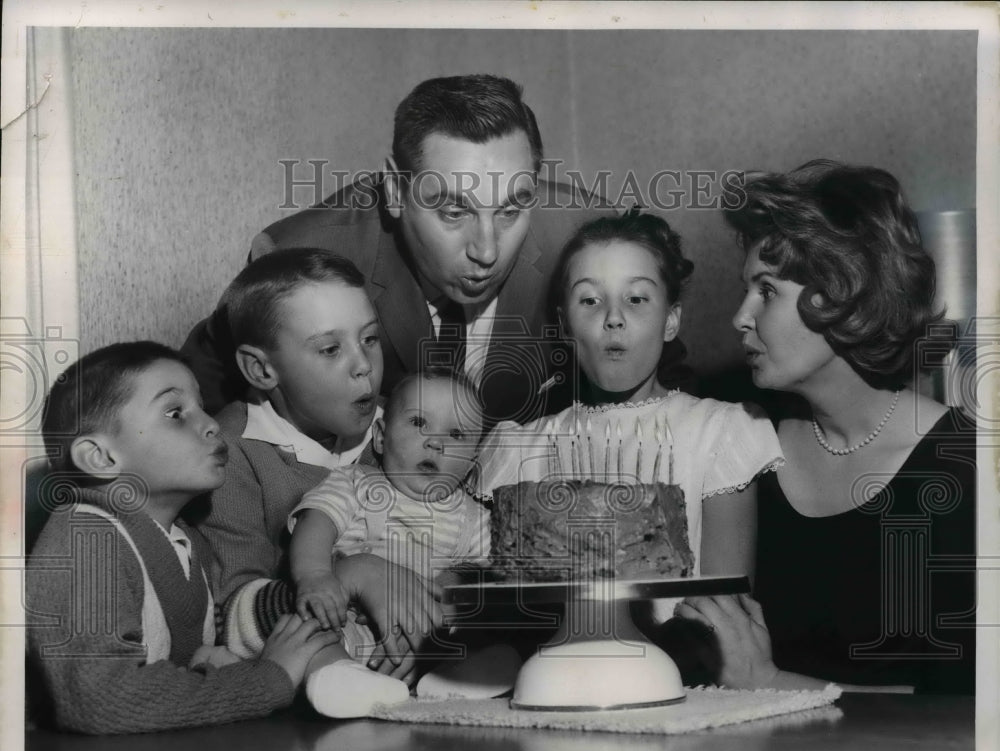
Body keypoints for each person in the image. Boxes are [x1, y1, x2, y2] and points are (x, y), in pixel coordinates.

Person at [181, 74, 693, 428]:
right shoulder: (299, 256)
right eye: (453, 212)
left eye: (512, 210)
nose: (487, 251)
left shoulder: (590, 240)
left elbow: (666, 379)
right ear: (397, 192)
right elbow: (205, 400)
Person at [677, 159, 976, 694]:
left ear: (843, 293)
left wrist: (768, 680)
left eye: (766, 292)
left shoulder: (966, 471)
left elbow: (967, 716)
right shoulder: (743, 446)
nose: (739, 318)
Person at [477, 211, 783, 621]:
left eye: (636, 298)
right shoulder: (517, 447)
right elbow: (501, 612)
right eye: (590, 300)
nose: (613, 317)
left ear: (671, 319)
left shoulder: (720, 433)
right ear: (565, 324)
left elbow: (725, 615)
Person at [26, 342, 339, 734]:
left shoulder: (188, 543)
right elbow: (99, 700)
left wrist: (213, 664)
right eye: (175, 413)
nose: (210, 423)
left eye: (202, 406)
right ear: (101, 458)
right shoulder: (85, 540)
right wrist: (267, 678)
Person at [197, 248, 442, 688]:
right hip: (312, 652)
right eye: (330, 349)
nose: (364, 365)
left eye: (369, 338)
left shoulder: (401, 428)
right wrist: (351, 576)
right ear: (261, 368)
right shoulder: (229, 455)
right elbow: (230, 614)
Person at [289, 368, 520, 714]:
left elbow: (492, 576)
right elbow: (317, 521)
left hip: (428, 638)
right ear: (381, 437)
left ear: (472, 463)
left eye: (456, 434)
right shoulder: (357, 485)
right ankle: (339, 673)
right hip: (352, 618)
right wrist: (315, 575)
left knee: (484, 635)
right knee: (312, 631)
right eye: (418, 423)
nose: (436, 441)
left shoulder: (473, 518)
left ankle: (448, 680)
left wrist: (453, 589)